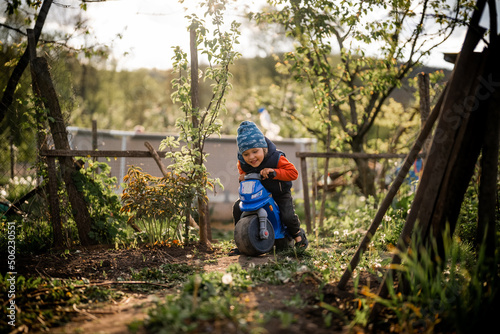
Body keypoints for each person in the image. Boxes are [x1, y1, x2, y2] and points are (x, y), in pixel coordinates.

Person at [230, 121, 308, 255]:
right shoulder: (242, 162)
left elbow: (293, 173)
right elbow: (241, 169)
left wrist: (274, 172)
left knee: (287, 215)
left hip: (279, 192)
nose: (251, 157)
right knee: (238, 207)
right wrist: (242, 175)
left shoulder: (276, 158)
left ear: (263, 148)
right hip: (258, 193)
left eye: (255, 151)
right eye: (246, 154)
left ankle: (297, 234)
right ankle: (241, 239)